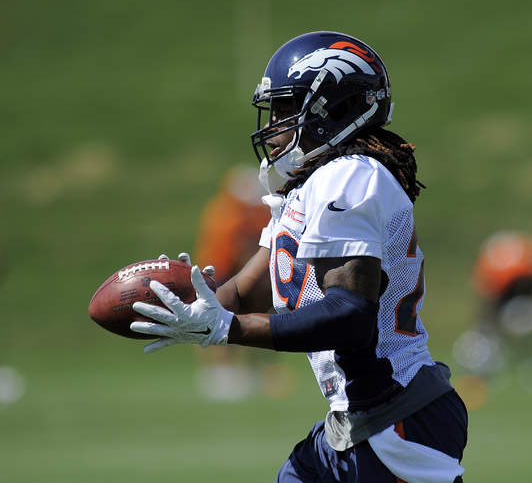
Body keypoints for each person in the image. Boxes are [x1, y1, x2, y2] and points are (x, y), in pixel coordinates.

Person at [130, 31, 468, 483]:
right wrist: (181, 301)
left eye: (286, 108)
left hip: (398, 421)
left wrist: (228, 329)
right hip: (356, 419)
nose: (273, 125)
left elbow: (349, 314)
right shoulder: (307, 188)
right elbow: (248, 291)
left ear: (335, 109)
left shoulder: (350, 176)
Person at [192, 165, 276, 401]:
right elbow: (239, 250)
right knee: (214, 317)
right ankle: (220, 372)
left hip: (233, 271)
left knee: (241, 319)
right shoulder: (228, 215)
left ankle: (242, 370)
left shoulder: (249, 212)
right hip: (218, 270)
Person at [453, 231, 532, 393]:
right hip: (502, 298)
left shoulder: (512, 263)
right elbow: (489, 297)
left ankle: (525, 365)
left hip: (510, 300)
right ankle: (494, 365)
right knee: (489, 332)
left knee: (514, 329)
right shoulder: (505, 265)